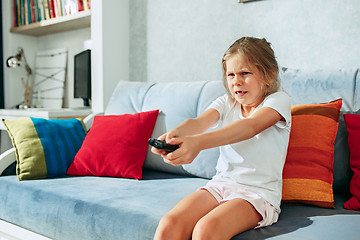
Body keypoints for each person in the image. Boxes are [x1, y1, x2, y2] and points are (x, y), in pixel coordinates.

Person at [151, 37, 291, 240]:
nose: (237, 81)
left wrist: (198, 143)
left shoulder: (278, 101)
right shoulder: (226, 102)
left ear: (269, 75)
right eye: (231, 74)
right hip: (221, 185)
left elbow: (249, 127)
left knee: (206, 229)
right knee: (168, 225)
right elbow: (199, 123)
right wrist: (174, 135)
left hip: (257, 193)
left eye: (245, 73)